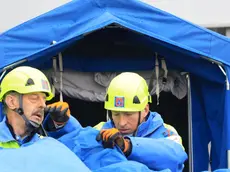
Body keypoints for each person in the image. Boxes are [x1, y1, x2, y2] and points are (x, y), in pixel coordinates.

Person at [0, 66, 91, 171]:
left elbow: (86, 145)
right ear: (12, 102)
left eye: (44, 99)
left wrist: (61, 125)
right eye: (34, 98)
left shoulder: (51, 146)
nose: (43, 105)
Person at [94, 72, 188, 172]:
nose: (121, 123)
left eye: (128, 114)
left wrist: (128, 146)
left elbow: (176, 159)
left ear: (145, 110)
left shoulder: (166, 133)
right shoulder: (99, 130)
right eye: (116, 114)